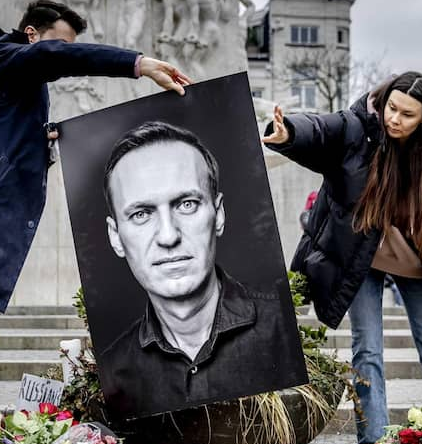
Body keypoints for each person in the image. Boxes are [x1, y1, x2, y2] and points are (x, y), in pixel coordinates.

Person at [0, 0, 191, 435]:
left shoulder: (11, 83)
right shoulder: (2, 52)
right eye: (59, 42)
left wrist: (45, 141)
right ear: (32, 35)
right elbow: (53, 57)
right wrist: (138, 63)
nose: (63, 54)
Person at [262, 72, 422, 444]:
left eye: (407, 115)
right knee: (367, 347)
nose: (394, 119)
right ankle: (373, 442)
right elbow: (319, 129)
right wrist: (287, 133)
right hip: (361, 255)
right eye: (392, 108)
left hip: (420, 255)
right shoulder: (357, 126)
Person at [99, 121, 298, 419]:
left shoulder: (284, 336)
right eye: (141, 214)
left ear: (218, 215)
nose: (168, 236)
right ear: (116, 237)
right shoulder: (111, 369)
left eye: (187, 205)